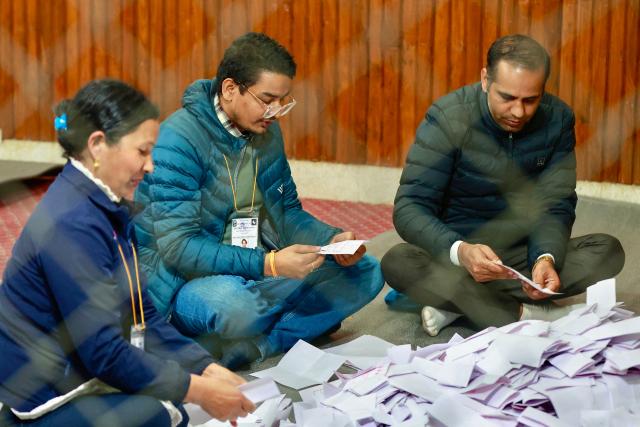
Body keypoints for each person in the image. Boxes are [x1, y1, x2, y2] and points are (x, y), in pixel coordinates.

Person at [0, 80, 254, 426]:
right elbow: (103, 352)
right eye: (142, 151)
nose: (150, 166)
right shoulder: (73, 223)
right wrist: (197, 390)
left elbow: (143, 316)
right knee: (163, 414)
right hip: (45, 392)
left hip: (73, 364)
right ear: (98, 145)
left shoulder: (107, 202)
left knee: (172, 403)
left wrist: (204, 368)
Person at [134, 32, 383, 369]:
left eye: (283, 101)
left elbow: (288, 212)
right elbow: (178, 247)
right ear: (229, 89)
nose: (276, 112)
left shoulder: (266, 130)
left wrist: (331, 241)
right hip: (185, 280)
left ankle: (259, 345)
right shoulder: (178, 141)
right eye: (268, 99)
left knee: (367, 273)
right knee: (237, 307)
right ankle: (286, 323)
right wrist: (271, 265)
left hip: (257, 266)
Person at [381, 34, 625, 336]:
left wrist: (545, 258)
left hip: (518, 256)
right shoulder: (448, 117)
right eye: (507, 98)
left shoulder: (558, 119)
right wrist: (461, 250)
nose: (519, 112)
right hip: (457, 252)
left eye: (531, 100)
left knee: (607, 251)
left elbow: (555, 203)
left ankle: (459, 304)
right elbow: (410, 207)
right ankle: (526, 314)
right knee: (397, 261)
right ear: (485, 80)